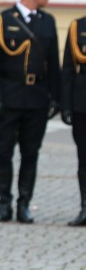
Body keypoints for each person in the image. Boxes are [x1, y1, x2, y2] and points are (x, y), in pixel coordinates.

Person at [0, 0, 61, 223]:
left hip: (37, 98)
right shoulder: (1, 20)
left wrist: (56, 98)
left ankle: (24, 204)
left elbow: (53, 63)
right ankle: (4, 203)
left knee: (31, 153)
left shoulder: (47, 22)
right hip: (8, 96)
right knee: (3, 152)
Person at [62, 13, 86, 226]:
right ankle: (85, 207)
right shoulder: (78, 27)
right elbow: (68, 68)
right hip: (82, 102)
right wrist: (66, 105)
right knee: (84, 159)